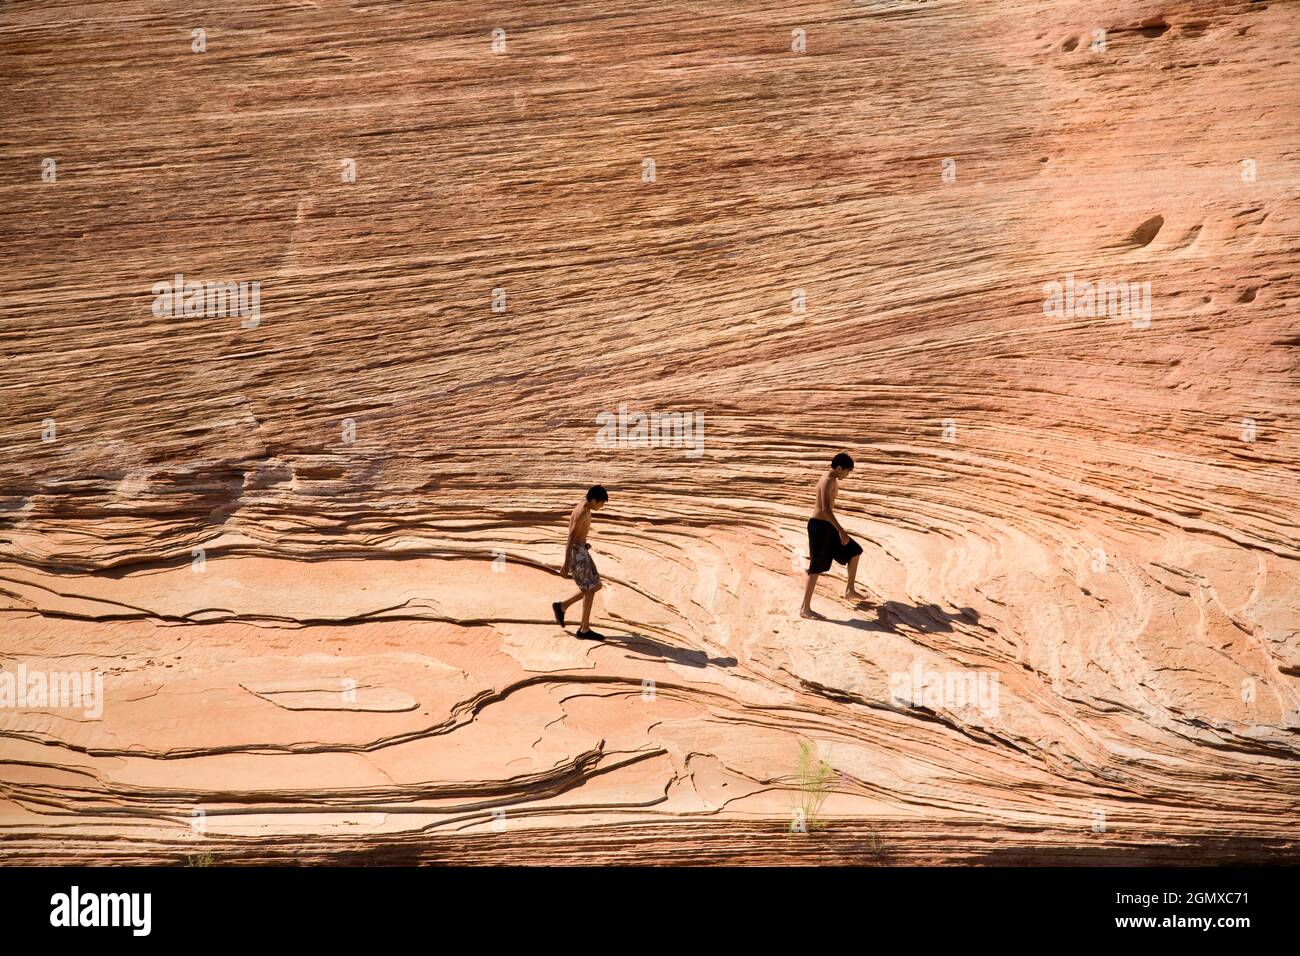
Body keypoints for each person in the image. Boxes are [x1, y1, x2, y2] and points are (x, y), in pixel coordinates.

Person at [800, 452, 864, 619]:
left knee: (855, 551)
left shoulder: (831, 477)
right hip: (819, 527)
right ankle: (804, 609)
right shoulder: (828, 480)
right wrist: (841, 530)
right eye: (847, 472)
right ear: (839, 468)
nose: (847, 475)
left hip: (826, 526)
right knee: (815, 568)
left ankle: (850, 590)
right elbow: (825, 510)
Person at [552, 485, 609, 640]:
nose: (602, 506)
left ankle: (562, 606)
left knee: (596, 585)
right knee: (590, 589)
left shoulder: (585, 506)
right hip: (577, 554)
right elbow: (571, 536)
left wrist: (584, 545)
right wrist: (566, 563)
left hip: (581, 550)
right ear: (594, 500)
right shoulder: (582, 511)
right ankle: (584, 629)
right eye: (601, 503)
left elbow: (577, 535)